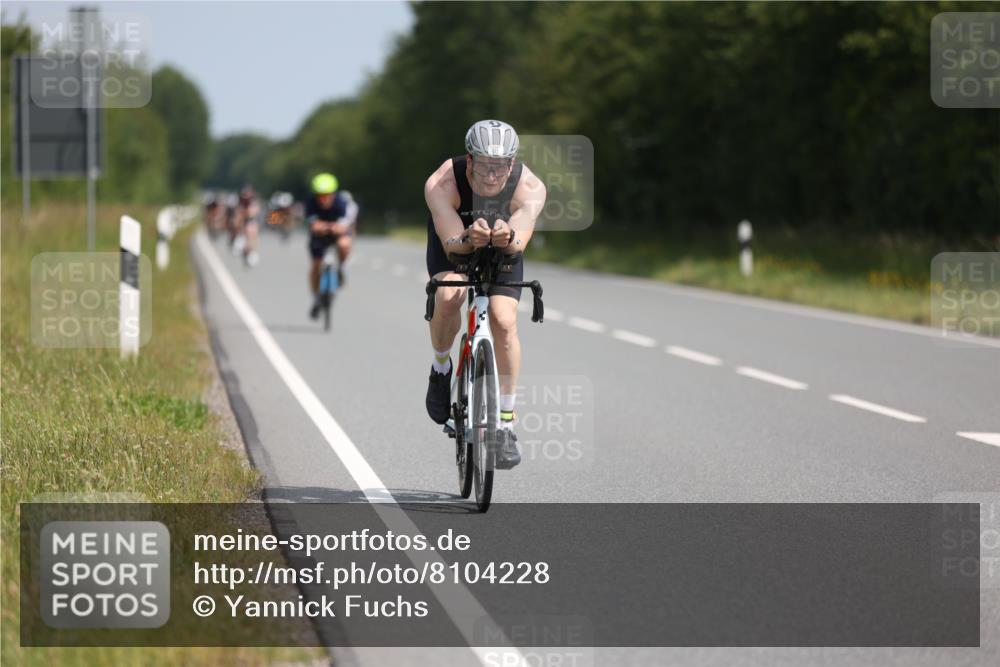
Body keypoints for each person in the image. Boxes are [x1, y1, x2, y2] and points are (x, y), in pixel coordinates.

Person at [423, 119, 546, 469]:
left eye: (501, 166)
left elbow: (518, 242)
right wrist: (468, 238)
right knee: (449, 297)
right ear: (470, 159)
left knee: (504, 321)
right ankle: (441, 368)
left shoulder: (530, 186)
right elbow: (451, 244)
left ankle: (505, 424)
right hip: (455, 243)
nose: (492, 175)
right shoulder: (442, 182)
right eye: (484, 165)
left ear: (512, 163)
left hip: (502, 247)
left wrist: (508, 236)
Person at [306, 173, 356, 319]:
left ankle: (341, 268)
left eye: (327, 195)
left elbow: (344, 226)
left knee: (344, 244)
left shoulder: (342, 202)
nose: (324, 199)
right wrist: (325, 227)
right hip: (319, 236)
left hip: (337, 234)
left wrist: (329, 227)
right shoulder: (310, 202)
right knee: (316, 265)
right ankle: (316, 297)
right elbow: (313, 225)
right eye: (320, 195)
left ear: (333, 194)